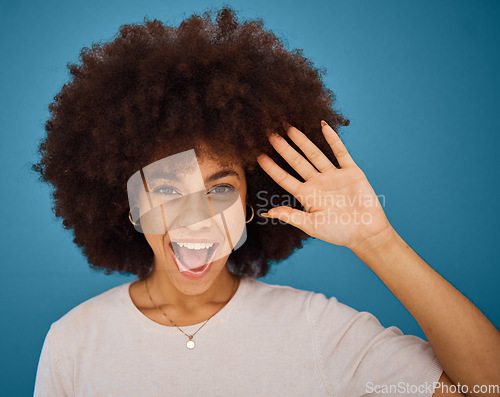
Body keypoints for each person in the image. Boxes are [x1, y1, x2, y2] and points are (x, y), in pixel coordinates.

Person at [32, 6, 499, 397]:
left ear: (250, 203)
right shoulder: (74, 342)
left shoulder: (316, 329)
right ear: (132, 207)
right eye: (169, 190)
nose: (196, 219)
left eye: (219, 189)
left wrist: (376, 239)